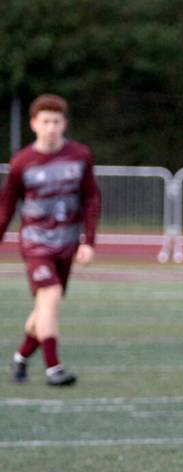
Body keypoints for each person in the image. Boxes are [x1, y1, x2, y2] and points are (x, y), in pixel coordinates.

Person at [2, 94, 100, 387]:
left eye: (56, 121)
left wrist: (88, 240)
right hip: (35, 243)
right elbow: (6, 205)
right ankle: (53, 367)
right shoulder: (22, 162)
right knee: (51, 296)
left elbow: (91, 198)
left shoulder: (80, 156)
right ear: (34, 124)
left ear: (64, 123)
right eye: (45, 121)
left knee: (46, 307)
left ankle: (20, 358)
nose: (51, 127)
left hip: (67, 242)